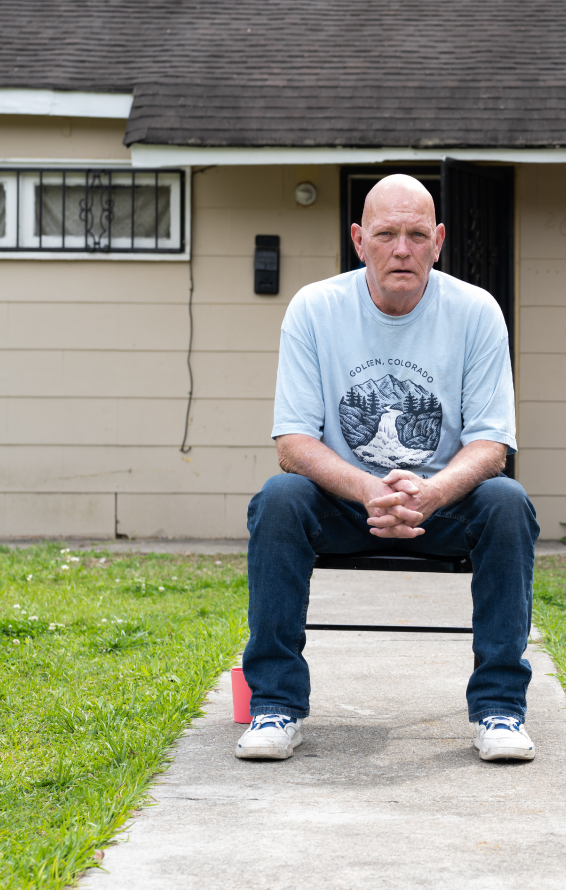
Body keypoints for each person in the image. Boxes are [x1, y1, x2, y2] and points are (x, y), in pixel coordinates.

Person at [236, 174, 539, 762]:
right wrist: (369, 489)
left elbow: (491, 445)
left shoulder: (476, 312)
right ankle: (274, 706)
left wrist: (433, 492)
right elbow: (293, 443)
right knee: (278, 498)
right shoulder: (315, 308)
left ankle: (500, 710)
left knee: (507, 501)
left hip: (441, 506)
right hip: (345, 504)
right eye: (386, 235)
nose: (402, 249)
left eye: (417, 235)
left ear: (438, 241)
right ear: (358, 240)